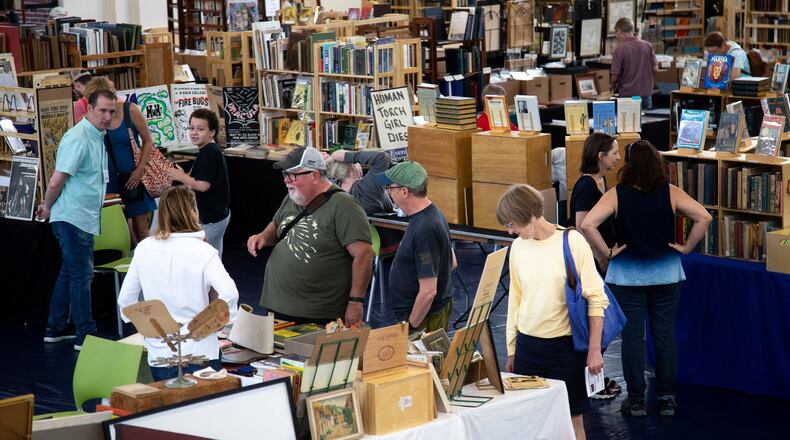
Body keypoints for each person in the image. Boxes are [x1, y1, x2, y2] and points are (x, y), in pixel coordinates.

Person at [581, 140, 712, 417]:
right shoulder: (671, 192)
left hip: (626, 277)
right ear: (657, 162)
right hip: (667, 274)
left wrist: (607, 252)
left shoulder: (616, 194)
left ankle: (636, 400)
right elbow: (704, 217)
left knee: (631, 337)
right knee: (664, 334)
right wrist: (687, 247)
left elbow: (587, 224)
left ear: (629, 165)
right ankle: (666, 398)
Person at [497, 184, 607, 440]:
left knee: (572, 421)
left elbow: (596, 298)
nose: (510, 231)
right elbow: (516, 300)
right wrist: (512, 348)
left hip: (565, 350)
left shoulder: (572, 241)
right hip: (527, 348)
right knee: (530, 422)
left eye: (512, 223)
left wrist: (594, 349)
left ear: (529, 215)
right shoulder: (518, 248)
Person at [118, 186, 239, 381]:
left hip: (161, 353)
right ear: (193, 212)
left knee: (168, 401)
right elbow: (230, 293)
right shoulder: (204, 252)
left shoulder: (144, 248)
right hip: (201, 350)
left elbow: (126, 300)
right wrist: (211, 325)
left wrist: (151, 330)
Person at [247, 147, 373, 325]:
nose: (286, 180)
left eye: (293, 175)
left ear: (314, 176)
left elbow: (364, 254)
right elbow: (277, 224)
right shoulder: (293, 197)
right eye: (285, 174)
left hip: (316, 314)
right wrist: (263, 237)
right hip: (278, 307)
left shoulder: (344, 206)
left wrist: (356, 302)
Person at [37, 77, 117, 351]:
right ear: (89, 108)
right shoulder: (79, 138)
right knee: (82, 275)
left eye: (111, 111)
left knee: (70, 272)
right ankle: (86, 333)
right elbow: (56, 181)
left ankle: (56, 327)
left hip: (80, 216)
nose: (107, 117)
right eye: (102, 111)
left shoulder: (95, 136)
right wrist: (47, 207)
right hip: (72, 217)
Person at [374, 161, 455, 333]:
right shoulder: (432, 214)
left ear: (405, 191)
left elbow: (428, 292)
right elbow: (452, 261)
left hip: (422, 319)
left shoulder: (424, 229)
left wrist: (411, 326)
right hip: (426, 315)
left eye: (390, 188)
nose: (388, 193)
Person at [168, 109, 231, 257]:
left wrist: (181, 177)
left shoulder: (209, 152)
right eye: (191, 128)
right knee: (214, 255)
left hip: (211, 218)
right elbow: (197, 177)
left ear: (212, 132)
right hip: (217, 215)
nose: (194, 132)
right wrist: (185, 176)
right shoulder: (208, 150)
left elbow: (202, 185)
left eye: (200, 129)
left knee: (202, 257)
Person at [105, 96, 157, 244]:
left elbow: (148, 141)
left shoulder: (130, 110)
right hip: (110, 180)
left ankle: (146, 257)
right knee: (117, 231)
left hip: (134, 177)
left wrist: (140, 169)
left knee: (141, 229)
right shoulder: (94, 116)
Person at [570, 133, 620, 269]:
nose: (618, 157)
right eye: (614, 153)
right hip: (593, 259)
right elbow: (581, 227)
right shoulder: (587, 185)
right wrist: (600, 257)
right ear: (601, 156)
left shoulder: (601, 179)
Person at [326, 149, 393, 215]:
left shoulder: (333, 190)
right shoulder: (369, 186)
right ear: (353, 168)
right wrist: (347, 156)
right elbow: (381, 157)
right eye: (355, 162)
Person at [611, 17, 658, 109]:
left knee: (627, 118)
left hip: (627, 96)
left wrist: (611, 86)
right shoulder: (647, 45)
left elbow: (615, 76)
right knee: (647, 118)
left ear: (620, 31)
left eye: (616, 32)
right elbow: (655, 69)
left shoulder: (619, 50)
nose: (616, 35)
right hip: (645, 95)